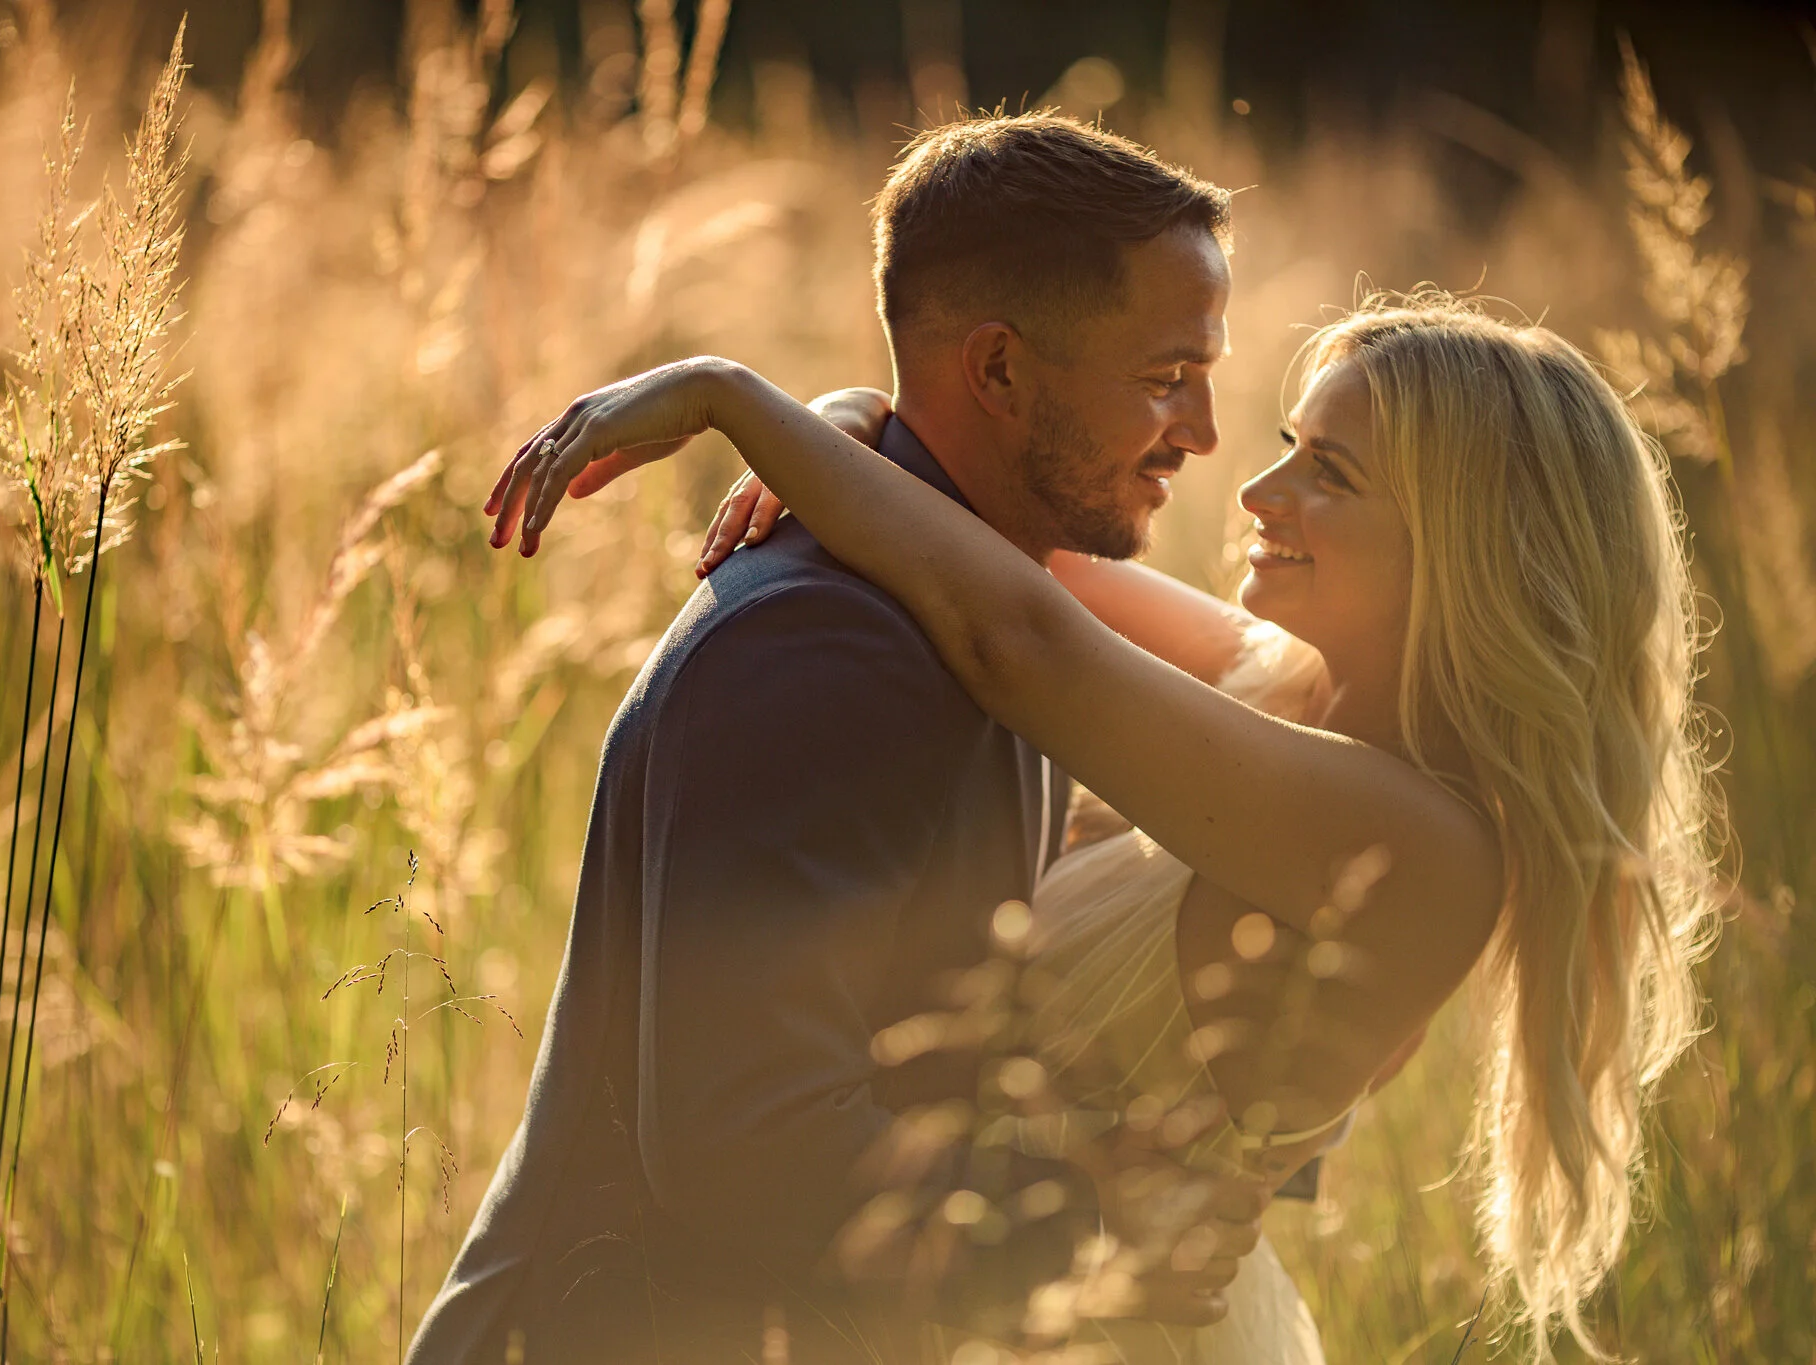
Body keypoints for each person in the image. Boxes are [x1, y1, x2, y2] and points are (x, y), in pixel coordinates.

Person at [485, 285, 1721, 1361]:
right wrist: (864, 415)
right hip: (964, 1285)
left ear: (1470, 555)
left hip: (1103, 1327)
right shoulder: (1277, 680)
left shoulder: (1419, 847)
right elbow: (994, 542)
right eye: (1292, 441)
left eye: (1326, 474)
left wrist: (730, 399)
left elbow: (1017, 638)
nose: (1255, 487)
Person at [407, 116, 1275, 1365]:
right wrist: (1093, 1227)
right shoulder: (828, 652)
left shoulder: (969, 608)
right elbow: (746, 1137)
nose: (1198, 430)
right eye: (1161, 376)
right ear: (998, 371)